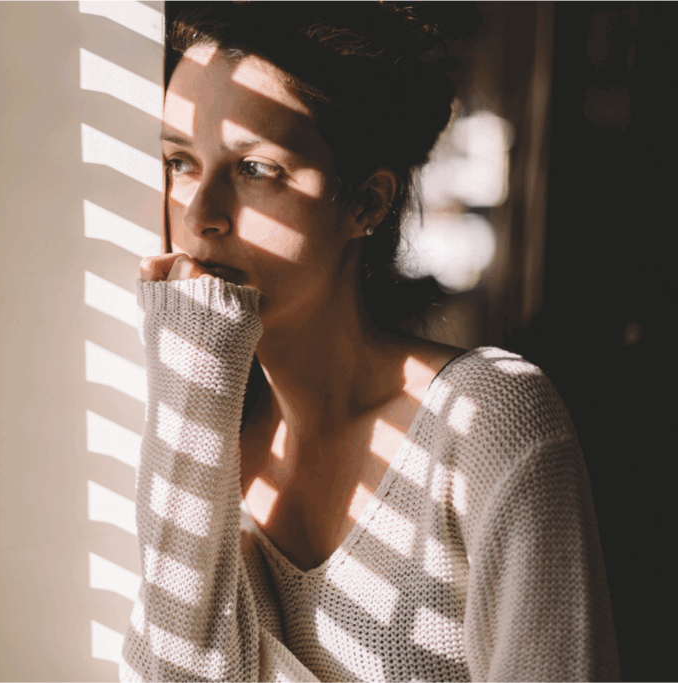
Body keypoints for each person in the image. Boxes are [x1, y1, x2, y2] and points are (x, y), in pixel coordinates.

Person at [119, 3, 619, 682]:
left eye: (256, 170)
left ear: (367, 202)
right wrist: (193, 378)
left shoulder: (488, 426)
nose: (200, 215)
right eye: (180, 162)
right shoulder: (204, 430)